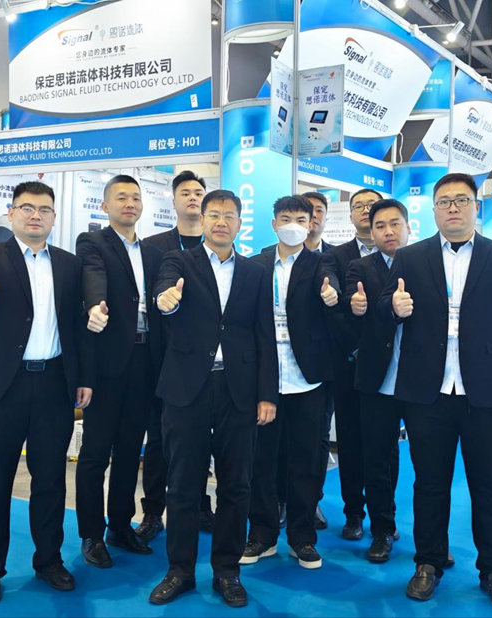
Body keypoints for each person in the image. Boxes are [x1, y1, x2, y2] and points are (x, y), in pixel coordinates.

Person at [377, 172, 492, 608]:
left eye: (461, 200)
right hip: (426, 390)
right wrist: (393, 307)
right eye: (444, 201)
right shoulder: (410, 257)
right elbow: (384, 310)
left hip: (485, 388)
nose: (452, 208)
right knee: (429, 483)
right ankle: (428, 563)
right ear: (433, 210)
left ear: (475, 207)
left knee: (489, 485)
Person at [0, 181, 93, 604]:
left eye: (44, 209)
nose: (36, 215)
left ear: (54, 217)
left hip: (54, 384)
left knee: (50, 479)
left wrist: (83, 378)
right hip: (4, 386)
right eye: (27, 208)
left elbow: (76, 328)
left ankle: (49, 560)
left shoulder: (69, 265)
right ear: (13, 213)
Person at [148, 189, 277, 608]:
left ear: (240, 223)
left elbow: (264, 334)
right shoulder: (178, 261)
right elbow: (163, 293)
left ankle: (227, 571)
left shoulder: (256, 272)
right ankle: (180, 571)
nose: (222, 222)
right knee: (182, 484)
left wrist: (267, 394)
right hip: (187, 388)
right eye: (214, 215)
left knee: (237, 485)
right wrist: (166, 300)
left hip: (238, 390)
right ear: (202, 220)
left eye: (229, 216)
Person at [241, 195, 336, 570]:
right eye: (285, 218)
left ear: (311, 224)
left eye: (300, 219)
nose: (293, 225)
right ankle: (262, 534)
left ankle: (302, 538)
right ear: (274, 223)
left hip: (308, 381)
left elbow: (335, 302)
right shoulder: (256, 265)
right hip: (264, 380)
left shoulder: (322, 264)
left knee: (306, 463)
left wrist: (333, 298)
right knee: (261, 462)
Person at [74, 174, 164, 567]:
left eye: (135, 198)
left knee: (130, 450)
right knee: (96, 452)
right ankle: (92, 534)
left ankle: (121, 526)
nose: (130, 204)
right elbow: (93, 277)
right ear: (105, 206)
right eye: (121, 197)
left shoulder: (152, 252)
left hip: (145, 363)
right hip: (108, 364)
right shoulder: (93, 242)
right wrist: (96, 304)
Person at [140, 170, 216, 539]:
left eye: (198, 191)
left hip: (205, 363)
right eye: (185, 192)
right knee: (158, 439)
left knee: (200, 439)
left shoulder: (217, 246)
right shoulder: (154, 248)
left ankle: (200, 505)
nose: (192, 197)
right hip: (161, 359)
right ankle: (153, 511)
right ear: (173, 201)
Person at [345, 199, 409, 564]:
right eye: (380, 226)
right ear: (371, 232)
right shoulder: (360, 267)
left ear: (408, 226)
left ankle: (431, 537)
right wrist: (355, 308)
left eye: (394, 223)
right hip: (376, 377)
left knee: (429, 463)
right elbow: (350, 313)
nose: (388, 231)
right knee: (376, 457)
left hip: (420, 378)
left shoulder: (424, 264)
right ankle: (382, 529)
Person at [320, 188, 383, 540]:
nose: (365, 210)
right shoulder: (335, 255)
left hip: (389, 366)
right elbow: (332, 308)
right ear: (351, 215)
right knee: (349, 440)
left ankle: (384, 517)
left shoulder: (401, 255)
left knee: (385, 444)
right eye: (358, 206)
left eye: (371, 205)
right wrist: (357, 348)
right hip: (348, 362)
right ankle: (353, 513)